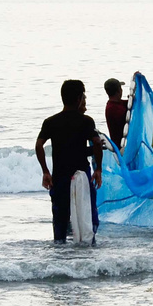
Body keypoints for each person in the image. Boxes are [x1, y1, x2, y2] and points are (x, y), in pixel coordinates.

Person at [35, 79, 106, 244]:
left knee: (60, 218)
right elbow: (96, 143)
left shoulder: (51, 122)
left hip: (60, 176)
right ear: (79, 98)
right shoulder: (86, 121)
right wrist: (99, 169)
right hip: (81, 176)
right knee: (87, 215)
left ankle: (60, 251)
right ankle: (88, 249)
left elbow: (39, 145)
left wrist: (45, 171)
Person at [103, 78, 128, 148]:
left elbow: (127, 103)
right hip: (121, 146)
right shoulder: (112, 108)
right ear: (119, 91)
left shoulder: (117, 104)